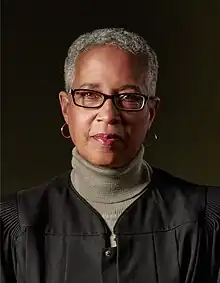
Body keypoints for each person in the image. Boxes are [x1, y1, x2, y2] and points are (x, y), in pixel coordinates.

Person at [1, 28, 219, 283]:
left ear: (151, 112)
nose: (109, 115)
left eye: (128, 97)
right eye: (89, 95)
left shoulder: (209, 219)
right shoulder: (13, 226)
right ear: (65, 108)